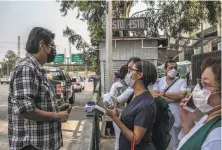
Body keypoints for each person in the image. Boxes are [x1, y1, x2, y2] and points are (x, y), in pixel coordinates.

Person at [8, 27, 72, 150]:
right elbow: (25, 110)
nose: (53, 50)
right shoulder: (26, 69)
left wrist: (57, 109)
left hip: (41, 144)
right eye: (52, 45)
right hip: (32, 145)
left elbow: (36, 105)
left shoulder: (37, 69)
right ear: (42, 45)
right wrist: (56, 116)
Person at [105, 60, 157, 150]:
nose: (128, 73)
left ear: (140, 75)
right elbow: (134, 115)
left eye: (131, 70)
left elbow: (136, 139)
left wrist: (115, 118)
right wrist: (120, 112)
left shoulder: (146, 104)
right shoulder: (135, 95)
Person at [177, 57, 221, 150]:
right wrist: (188, 124)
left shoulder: (218, 135)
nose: (198, 89)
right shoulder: (209, 116)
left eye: (205, 84)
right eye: (200, 83)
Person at [152, 59, 187, 150]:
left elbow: (181, 95)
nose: (173, 70)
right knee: (161, 140)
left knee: (176, 141)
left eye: (175, 67)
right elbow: (154, 94)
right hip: (161, 115)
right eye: (170, 68)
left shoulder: (181, 81)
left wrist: (163, 94)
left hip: (176, 115)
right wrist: (173, 97)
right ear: (165, 69)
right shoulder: (159, 81)